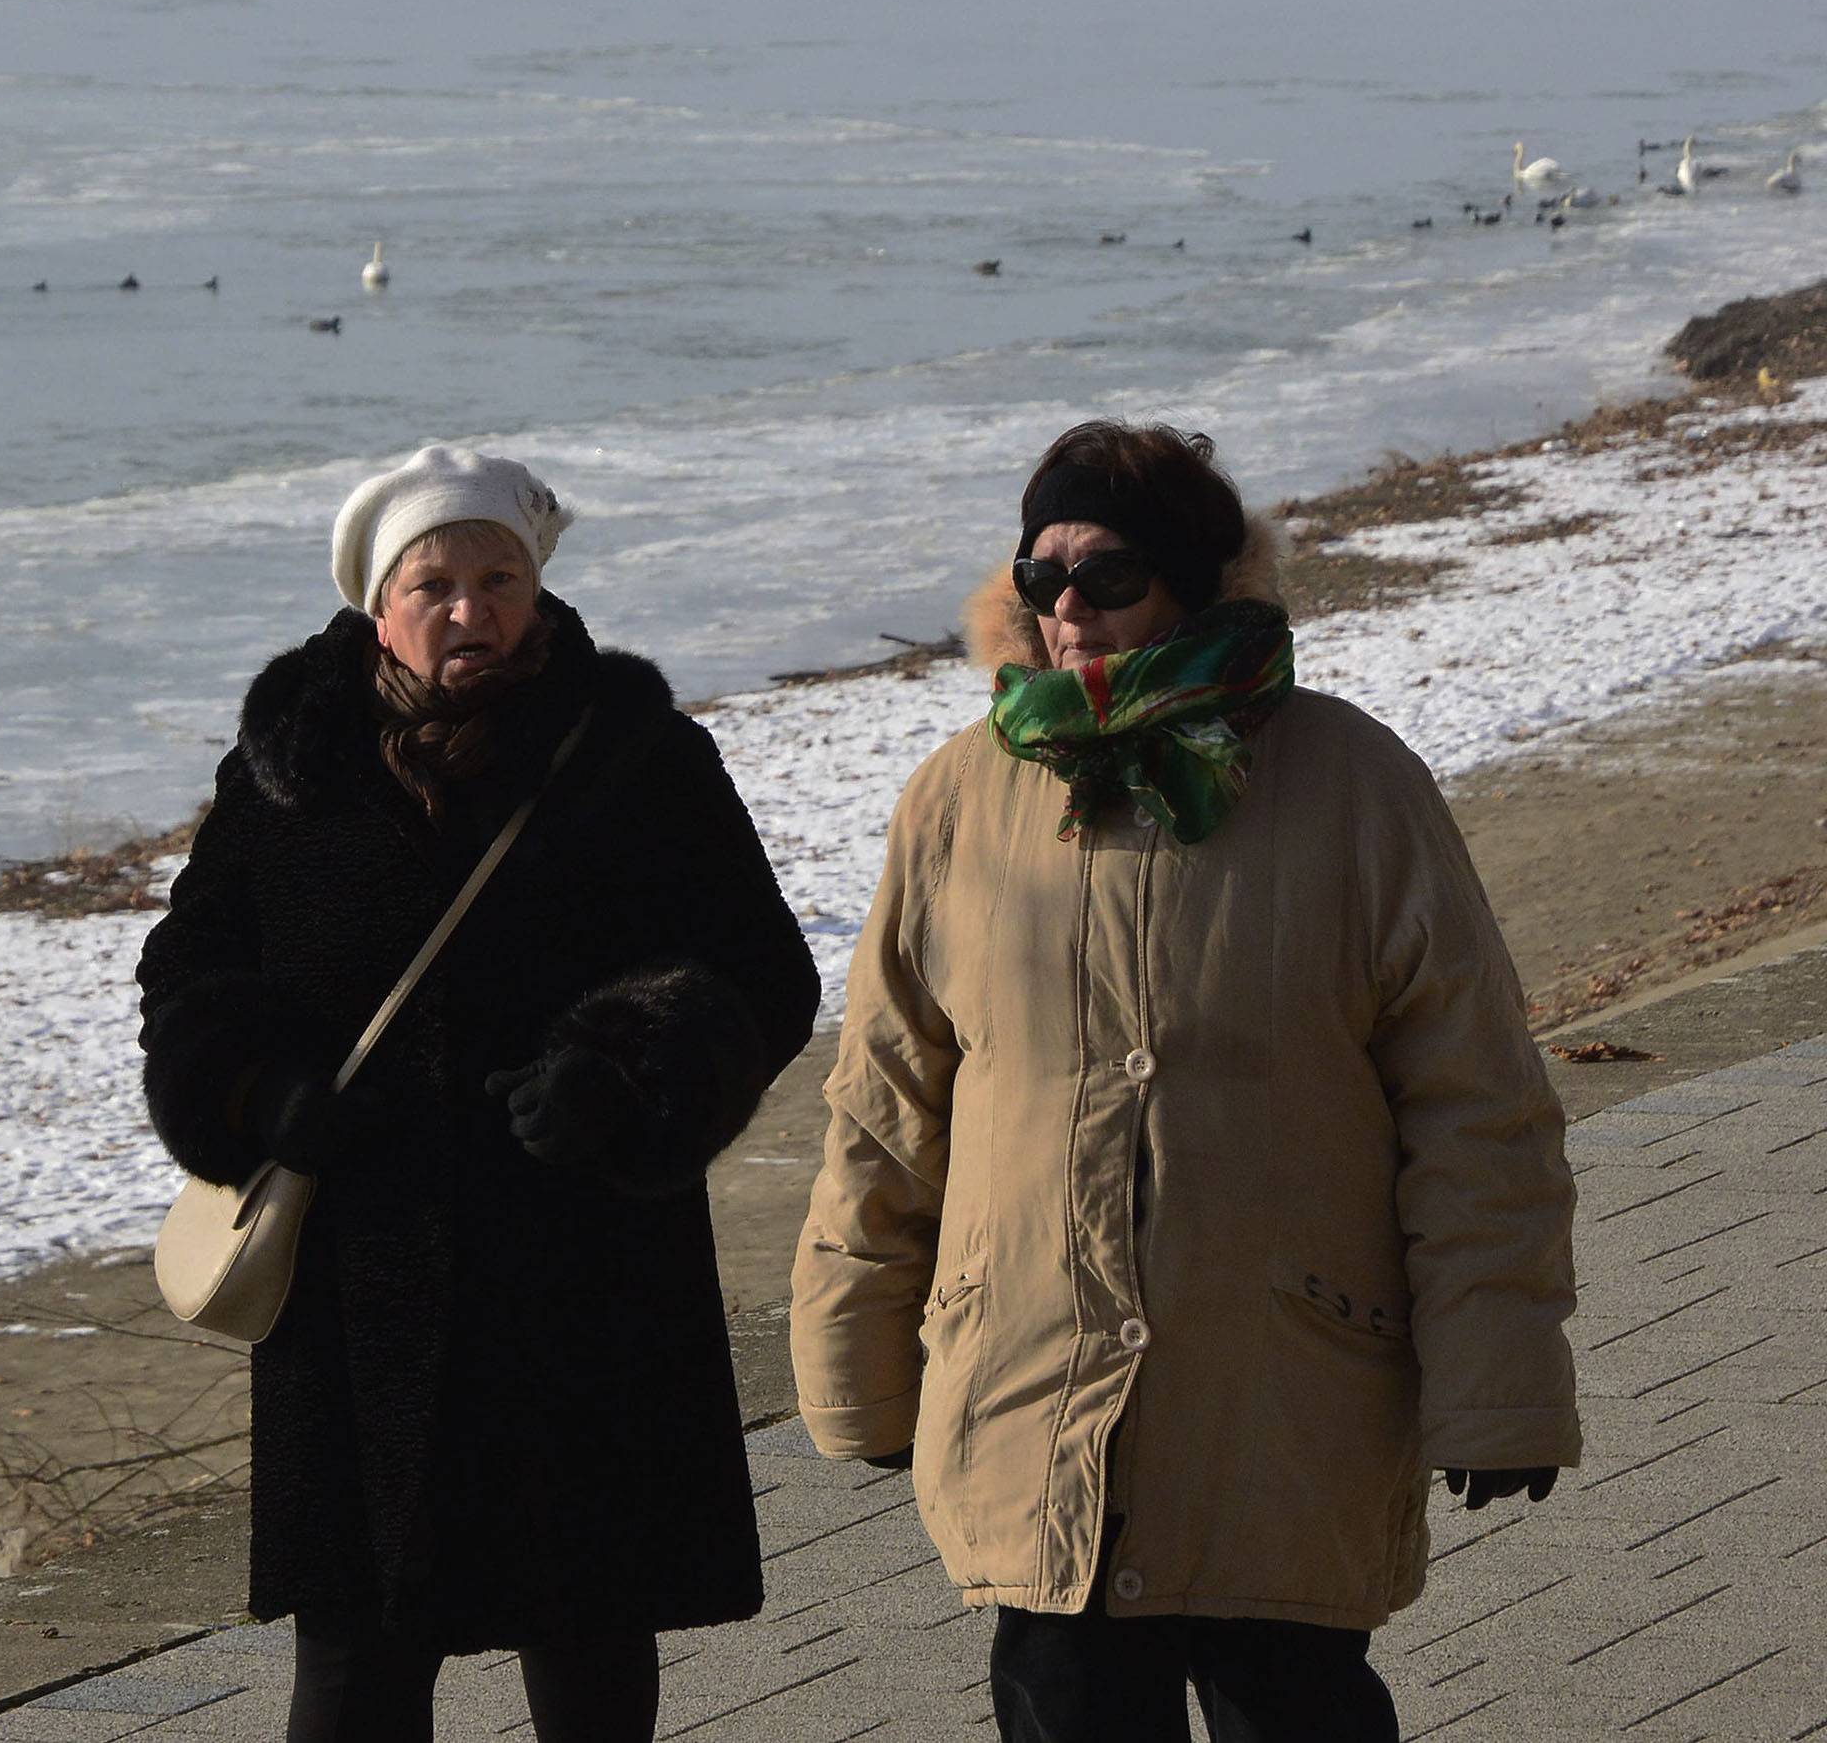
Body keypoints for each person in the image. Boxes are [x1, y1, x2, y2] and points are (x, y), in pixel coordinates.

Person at [791, 419, 1579, 1743]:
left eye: (1109, 573)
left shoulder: (1351, 782)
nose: (1070, 609)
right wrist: (854, 1358)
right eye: (1042, 577)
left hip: (1287, 1385)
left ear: (1201, 582)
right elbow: (887, 1102)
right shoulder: (961, 796)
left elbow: (1476, 1103)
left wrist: (1498, 1379)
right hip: (1039, 1397)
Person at [138, 443, 820, 1743]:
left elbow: (759, 971)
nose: (471, 607)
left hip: (583, 1279)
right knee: (352, 1672)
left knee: (589, 1656)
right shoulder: (288, 770)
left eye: (497, 574)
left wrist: (627, 1075)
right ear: (374, 601)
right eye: (435, 579)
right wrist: (257, 1097)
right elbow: (191, 974)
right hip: (358, 1291)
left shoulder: (637, 756)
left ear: (538, 584)